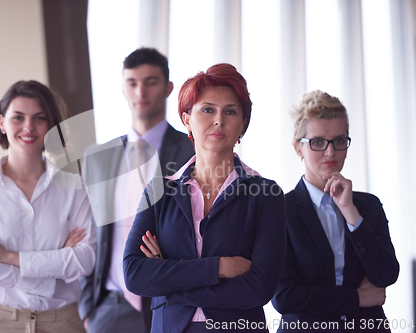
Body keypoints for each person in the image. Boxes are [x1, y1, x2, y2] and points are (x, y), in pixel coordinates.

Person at [123, 63, 287, 333]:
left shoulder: (266, 195)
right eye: (208, 109)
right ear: (187, 118)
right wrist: (218, 267)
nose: (219, 120)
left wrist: (170, 287)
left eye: (230, 111)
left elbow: (259, 289)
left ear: (242, 124)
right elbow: (135, 274)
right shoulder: (158, 191)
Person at [0, 80, 96, 333]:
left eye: (39, 118)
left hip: (62, 321)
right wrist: (53, 267)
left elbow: (85, 260)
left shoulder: (74, 187)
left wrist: (6, 256)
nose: (28, 127)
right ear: (2, 122)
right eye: (18, 117)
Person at [78, 48, 195, 333]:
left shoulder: (192, 151)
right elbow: (88, 231)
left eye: (151, 81)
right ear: (123, 88)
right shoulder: (98, 158)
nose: (140, 91)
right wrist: (87, 307)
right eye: (132, 82)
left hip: (172, 300)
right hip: (109, 306)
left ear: (168, 88)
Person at [272, 90, 399, 332]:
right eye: (318, 142)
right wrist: (356, 299)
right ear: (298, 148)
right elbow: (284, 297)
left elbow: (386, 275)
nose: (330, 152)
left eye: (339, 141)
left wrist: (350, 212)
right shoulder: (280, 210)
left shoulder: (368, 206)